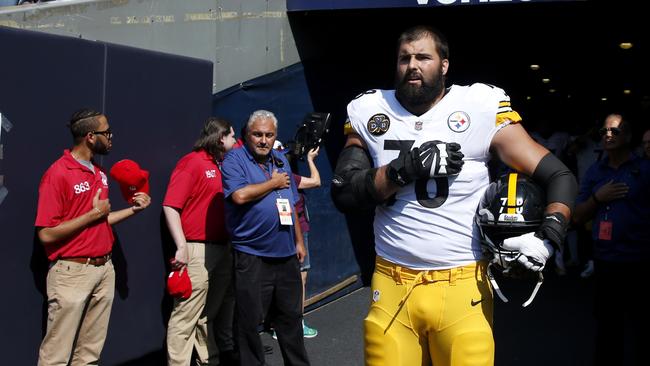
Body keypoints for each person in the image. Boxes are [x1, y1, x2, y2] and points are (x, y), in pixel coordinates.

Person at [330, 25, 577, 366]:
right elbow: (345, 192)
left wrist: (549, 235)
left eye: (423, 57)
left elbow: (558, 175)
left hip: (463, 284)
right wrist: (406, 168)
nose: (412, 65)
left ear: (444, 65)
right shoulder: (371, 109)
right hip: (392, 283)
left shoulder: (478, 105)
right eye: (404, 58)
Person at [35, 108, 151, 365]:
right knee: (56, 355)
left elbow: (101, 220)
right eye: (106, 132)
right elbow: (45, 234)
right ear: (90, 136)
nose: (111, 136)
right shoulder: (58, 173)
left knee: (89, 355)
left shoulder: (99, 173)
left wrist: (133, 209)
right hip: (71, 272)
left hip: (104, 270)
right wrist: (92, 215)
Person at [221, 110, 310, 366]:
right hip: (252, 255)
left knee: (291, 320)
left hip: (285, 254)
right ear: (246, 135)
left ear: (275, 137)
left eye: (269, 135)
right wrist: (272, 184)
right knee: (249, 322)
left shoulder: (280, 160)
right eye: (257, 134)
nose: (263, 140)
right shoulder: (234, 160)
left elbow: (291, 204)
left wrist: (299, 241)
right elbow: (239, 196)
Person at [573, 113, 650, 366]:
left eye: (615, 131)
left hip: (640, 260)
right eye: (604, 131)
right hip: (606, 261)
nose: (608, 135)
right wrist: (598, 198)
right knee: (608, 326)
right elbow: (576, 215)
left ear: (628, 137)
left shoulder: (645, 170)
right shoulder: (596, 171)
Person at [163, 117, 238, 366]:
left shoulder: (222, 163)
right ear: (220, 139)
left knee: (208, 315)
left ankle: (209, 360)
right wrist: (182, 246)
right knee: (185, 316)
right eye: (232, 136)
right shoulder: (192, 162)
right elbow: (170, 206)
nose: (235, 140)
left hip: (222, 249)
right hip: (196, 250)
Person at [282, 144, 321, 339]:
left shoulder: (285, 178)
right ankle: (297, 324)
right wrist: (310, 160)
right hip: (294, 233)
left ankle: (283, 324)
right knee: (300, 279)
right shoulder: (286, 178)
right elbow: (316, 181)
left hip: (287, 233)